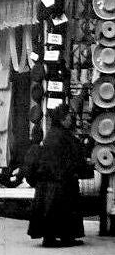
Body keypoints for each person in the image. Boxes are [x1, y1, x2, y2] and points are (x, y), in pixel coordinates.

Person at [24, 105, 89, 247]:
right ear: (62, 119)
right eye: (67, 117)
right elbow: (73, 157)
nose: (70, 120)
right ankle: (64, 237)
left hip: (50, 180)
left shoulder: (53, 134)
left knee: (54, 210)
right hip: (60, 180)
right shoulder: (62, 135)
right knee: (63, 209)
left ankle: (53, 237)